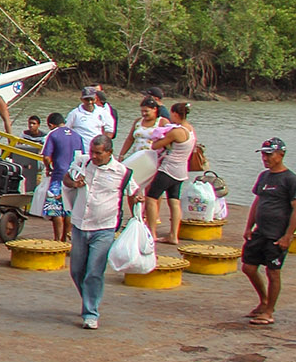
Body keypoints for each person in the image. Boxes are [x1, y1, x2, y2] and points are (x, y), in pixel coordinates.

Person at [64, 136, 141, 330]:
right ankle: (89, 299)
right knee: (76, 271)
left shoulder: (122, 172)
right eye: (92, 152)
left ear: (109, 152)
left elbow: (134, 193)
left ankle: (91, 312)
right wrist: (74, 184)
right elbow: (66, 178)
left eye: (99, 153)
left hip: (104, 228)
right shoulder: (83, 163)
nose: (94, 156)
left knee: (94, 271)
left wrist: (138, 213)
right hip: (80, 224)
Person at [240, 138, 296, 327]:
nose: (265, 158)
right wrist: (248, 226)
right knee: (248, 267)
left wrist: (288, 235)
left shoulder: (292, 180)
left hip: (277, 234)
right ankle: (264, 300)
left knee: (273, 272)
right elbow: (258, 202)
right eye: (263, 154)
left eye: (269, 154)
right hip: (260, 231)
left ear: (281, 155)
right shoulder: (264, 177)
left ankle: (269, 311)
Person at [144, 108, 192, 244]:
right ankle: (173, 235)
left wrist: (161, 136)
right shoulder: (190, 129)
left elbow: (155, 145)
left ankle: (152, 232)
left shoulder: (176, 132)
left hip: (169, 168)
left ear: (176, 114)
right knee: (174, 201)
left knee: (151, 198)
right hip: (181, 170)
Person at [40, 112, 80, 242]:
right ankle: (64, 239)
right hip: (73, 176)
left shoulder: (53, 134)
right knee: (68, 208)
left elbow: (46, 156)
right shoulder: (77, 136)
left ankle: (57, 239)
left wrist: (48, 168)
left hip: (58, 176)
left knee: (54, 208)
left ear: (51, 125)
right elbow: (81, 157)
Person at [65, 88, 112, 152]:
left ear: (95, 99)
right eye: (87, 99)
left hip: (97, 151)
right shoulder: (74, 113)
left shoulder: (103, 112)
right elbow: (66, 130)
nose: (89, 102)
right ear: (82, 99)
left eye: (91, 99)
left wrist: (104, 147)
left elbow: (109, 130)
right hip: (80, 151)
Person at [18, 115, 46, 192]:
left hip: (37, 161)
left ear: (38, 125)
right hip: (26, 160)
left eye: (34, 124)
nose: (31, 125)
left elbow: (42, 150)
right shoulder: (24, 134)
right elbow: (19, 145)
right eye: (30, 123)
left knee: (36, 180)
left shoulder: (43, 136)